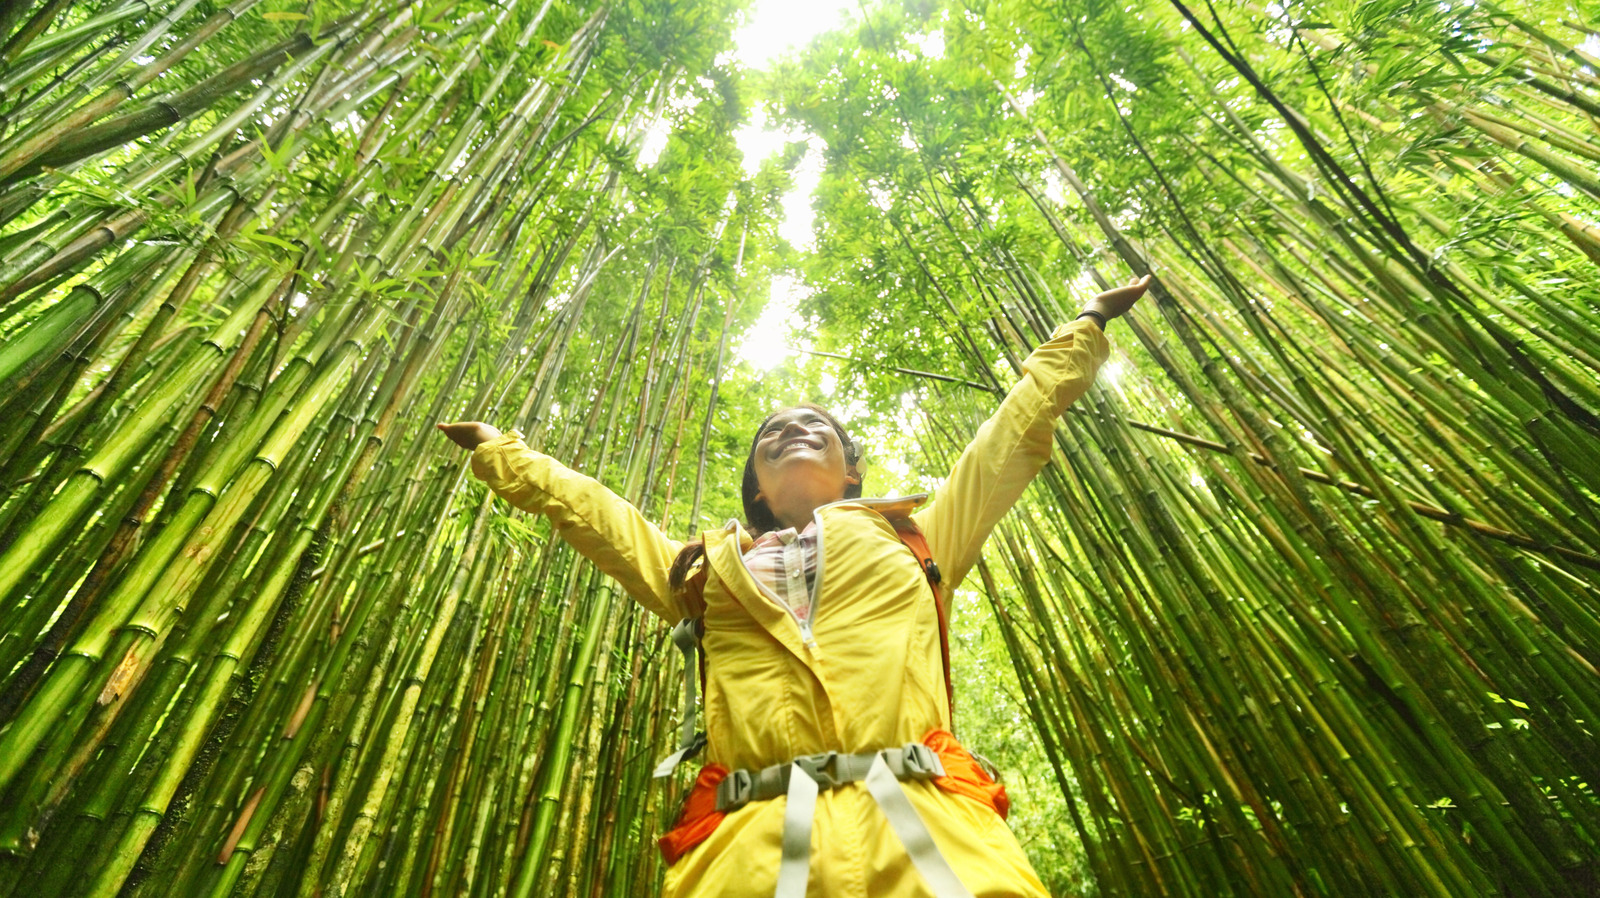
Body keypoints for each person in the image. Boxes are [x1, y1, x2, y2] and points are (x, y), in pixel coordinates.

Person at [438, 275, 1150, 897]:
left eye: (816, 425)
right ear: (756, 483)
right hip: (751, 849)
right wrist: (504, 453)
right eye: (772, 432)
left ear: (851, 471)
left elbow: (1014, 431)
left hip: (933, 831)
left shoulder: (920, 538)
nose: (794, 430)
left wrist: (1086, 325)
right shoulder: (702, 573)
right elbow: (596, 515)